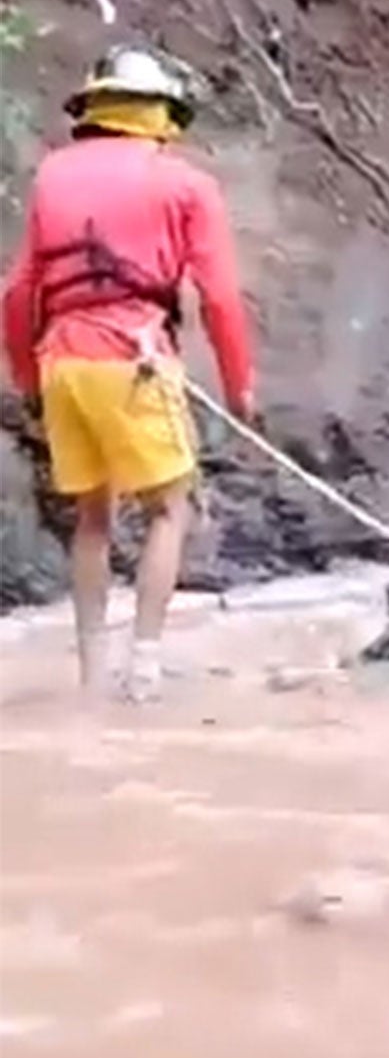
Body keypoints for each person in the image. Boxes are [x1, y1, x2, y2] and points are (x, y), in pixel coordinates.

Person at [3, 46, 256, 701]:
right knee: (171, 508)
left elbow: (18, 292)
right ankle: (142, 671)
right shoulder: (185, 185)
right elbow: (222, 295)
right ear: (160, 113)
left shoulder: (53, 175)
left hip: (62, 361)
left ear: (96, 108)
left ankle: (90, 675)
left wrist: (27, 380)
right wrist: (240, 389)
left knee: (93, 515)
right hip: (135, 359)